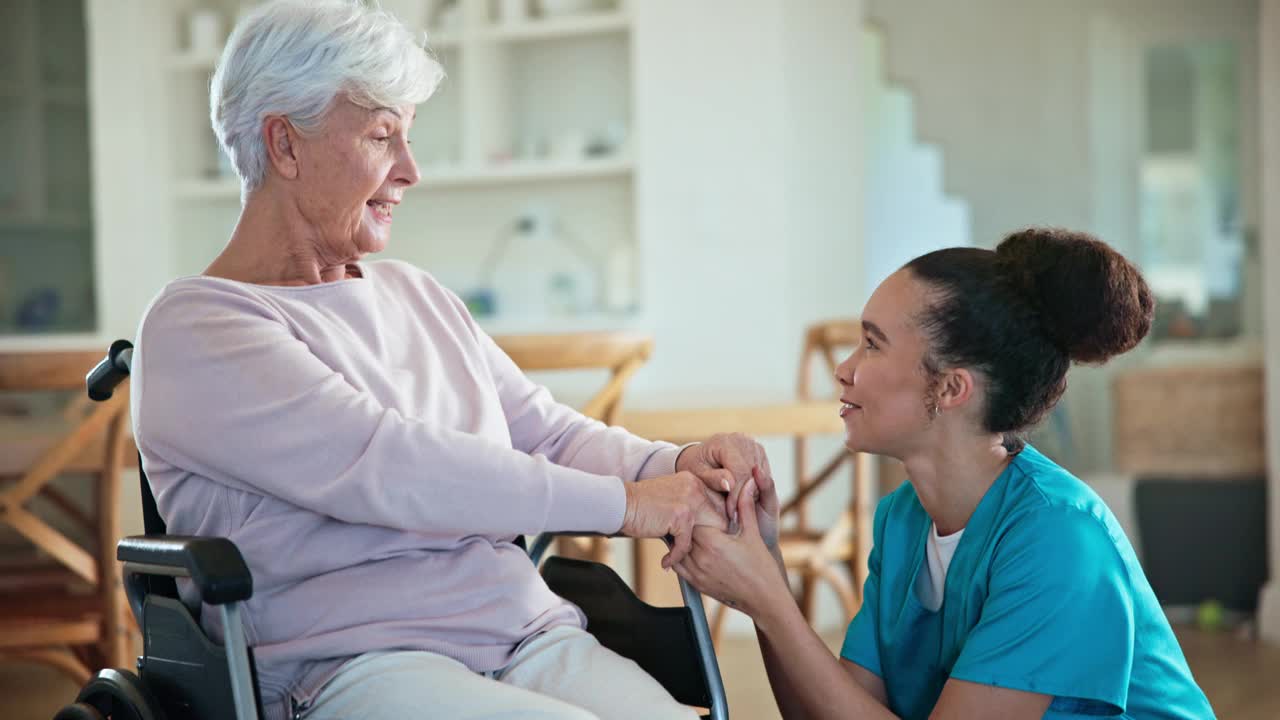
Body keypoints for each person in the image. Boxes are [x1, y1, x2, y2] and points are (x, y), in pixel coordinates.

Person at [130, 2, 770, 719]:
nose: (411, 169)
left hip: (523, 633)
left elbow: (549, 435)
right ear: (285, 145)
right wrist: (626, 507)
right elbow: (392, 465)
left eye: (409, 136)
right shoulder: (198, 327)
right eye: (382, 136)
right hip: (355, 664)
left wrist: (676, 468)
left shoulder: (417, 294)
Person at [674, 229, 1216, 719]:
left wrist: (768, 599)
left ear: (953, 388)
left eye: (872, 344)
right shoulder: (902, 521)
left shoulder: (1059, 539)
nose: (844, 369)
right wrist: (764, 562)